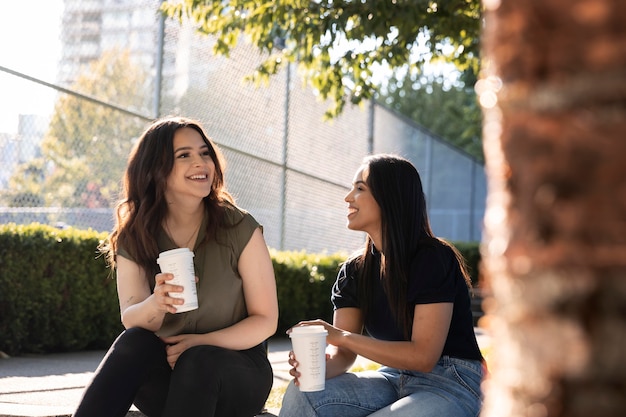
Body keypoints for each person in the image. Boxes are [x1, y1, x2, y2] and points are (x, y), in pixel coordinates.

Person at [73, 116, 278, 417]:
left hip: (237, 375)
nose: (201, 162)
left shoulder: (239, 226)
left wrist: (201, 342)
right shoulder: (136, 233)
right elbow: (131, 318)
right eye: (185, 155)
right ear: (156, 170)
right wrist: (157, 303)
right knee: (135, 342)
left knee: (198, 360)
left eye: (204, 152)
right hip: (170, 373)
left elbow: (265, 320)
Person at [279, 154, 484, 417]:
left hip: (452, 382)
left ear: (390, 198)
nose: (348, 197)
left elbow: (423, 356)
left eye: (360, 188)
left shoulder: (433, 259)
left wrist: (339, 336)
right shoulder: (355, 270)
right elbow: (343, 353)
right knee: (304, 393)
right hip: (392, 378)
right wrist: (318, 368)